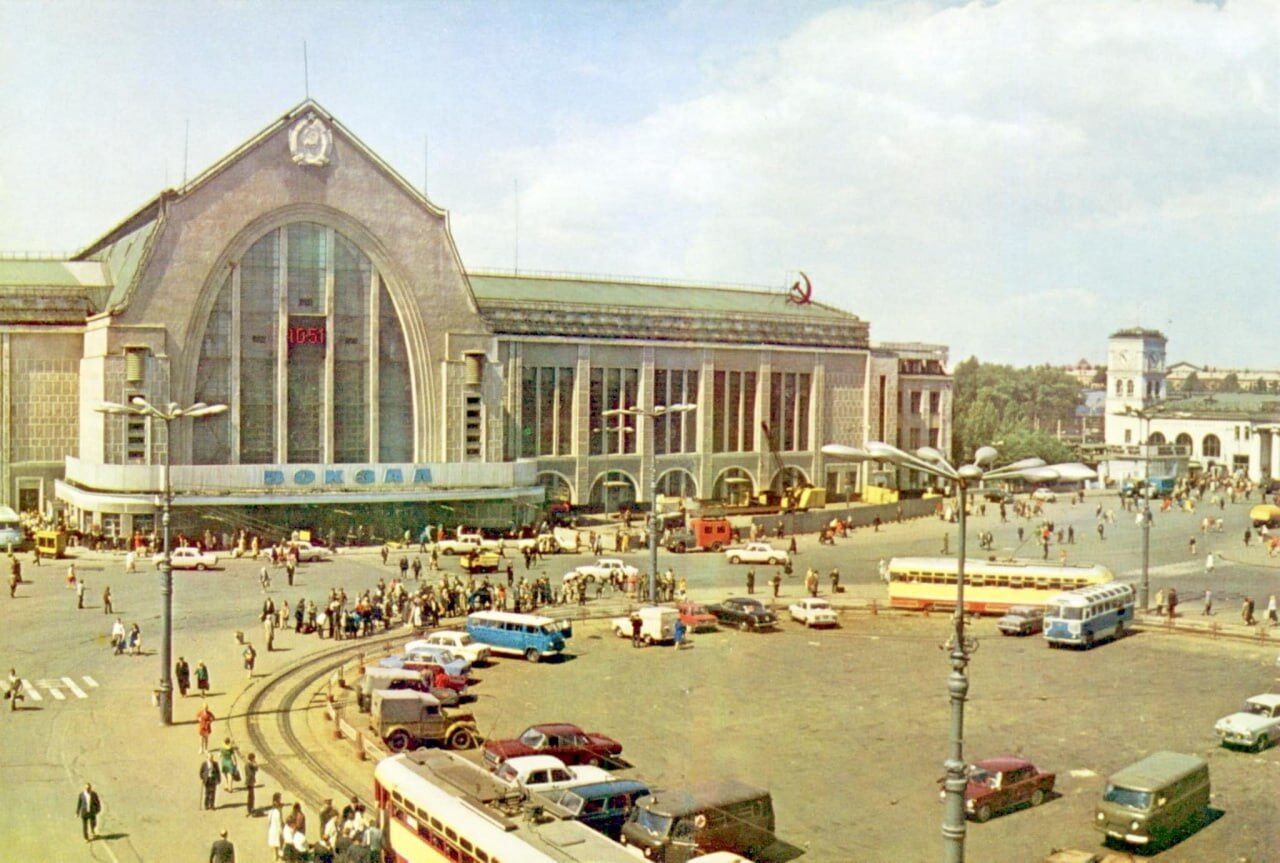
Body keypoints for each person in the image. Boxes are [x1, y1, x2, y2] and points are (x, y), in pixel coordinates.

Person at [267, 793, 284, 859]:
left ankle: (277, 853)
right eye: (279, 799)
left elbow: (280, 818)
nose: (280, 801)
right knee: (276, 842)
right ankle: (276, 855)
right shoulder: (273, 810)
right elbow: (270, 820)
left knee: (279, 840)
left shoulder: (278, 809)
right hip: (275, 827)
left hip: (277, 826)